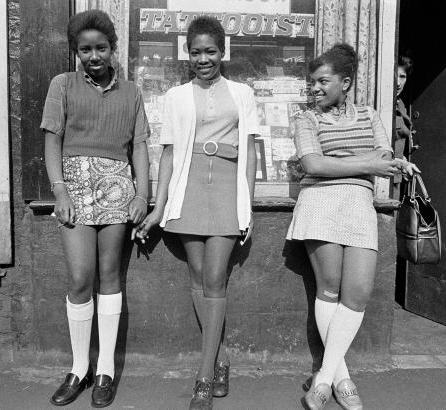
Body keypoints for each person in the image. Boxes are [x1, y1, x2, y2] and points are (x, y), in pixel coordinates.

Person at [134, 16, 258, 410]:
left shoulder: (243, 93)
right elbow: (168, 154)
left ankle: (204, 377)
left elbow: (251, 152)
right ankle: (220, 359)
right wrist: (160, 204)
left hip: (226, 185)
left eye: (211, 51)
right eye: (196, 52)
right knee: (198, 277)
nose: (203, 59)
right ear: (187, 54)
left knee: (216, 278)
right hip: (187, 188)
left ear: (223, 52)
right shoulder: (175, 96)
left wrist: (248, 202)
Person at [287, 44, 418, 410]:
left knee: (357, 294)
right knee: (328, 290)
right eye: (311, 82)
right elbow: (312, 164)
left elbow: (385, 155)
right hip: (320, 203)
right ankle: (341, 380)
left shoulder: (371, 114)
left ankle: (323, 377)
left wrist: (396, 163)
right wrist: (369, 164)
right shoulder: (305, 119)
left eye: (322, 81)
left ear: (345, 82)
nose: (314, 89)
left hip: (359, 205)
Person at [41, 10, 150, 408]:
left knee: (109, 274)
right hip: (74, 184)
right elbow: (52, 141)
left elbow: (138, 146)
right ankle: (78, 367)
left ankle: (104, 367)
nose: (94, 56)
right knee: (80, 277)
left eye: (100, 47)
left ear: (112, 48)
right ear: (76, 52)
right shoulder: (63, 85)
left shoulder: (132, 92)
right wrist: (60, 192)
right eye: (85, 49)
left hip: (117, 184)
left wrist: (142, 194)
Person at [394, 54, 419, 199]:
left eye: (402, 77)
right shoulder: (384, 104)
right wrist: (401, 163)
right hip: (383, 178)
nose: (398, 82)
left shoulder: (400, 104)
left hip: (397, 178)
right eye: (395, 75)